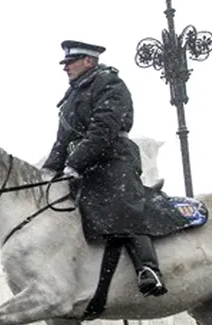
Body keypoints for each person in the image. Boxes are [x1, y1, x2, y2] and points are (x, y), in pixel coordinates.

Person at [42, 40, 168, 297]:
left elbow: (105, 128)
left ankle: (148, 269)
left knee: (122, 204)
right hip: (86, 162)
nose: (66, 68)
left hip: (114, 158)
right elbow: (62, 140)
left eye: (70, 62)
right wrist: (47, 174)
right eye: (66, 63)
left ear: (89, 61)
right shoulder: (72, 96)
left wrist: (76, 163)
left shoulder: (109, 84)